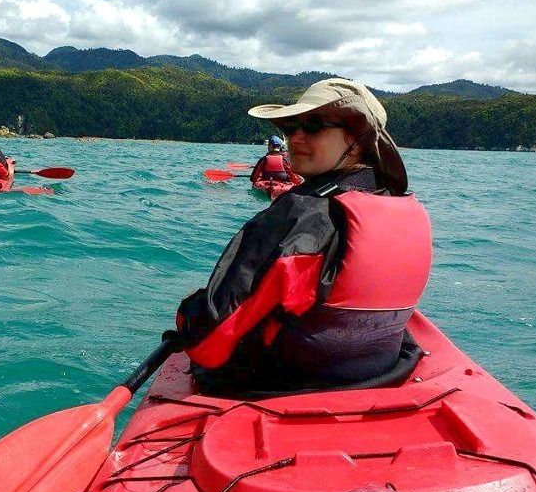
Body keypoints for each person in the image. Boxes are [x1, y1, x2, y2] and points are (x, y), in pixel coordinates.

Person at [175, 78, 433, 391]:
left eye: (313, 125)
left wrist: (188, 318)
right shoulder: (405, 207)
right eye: (289, 128)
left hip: (287, 382)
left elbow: (210, 341)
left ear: (357, 138)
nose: (295, 137)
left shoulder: (302, 214)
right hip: (384, 370)